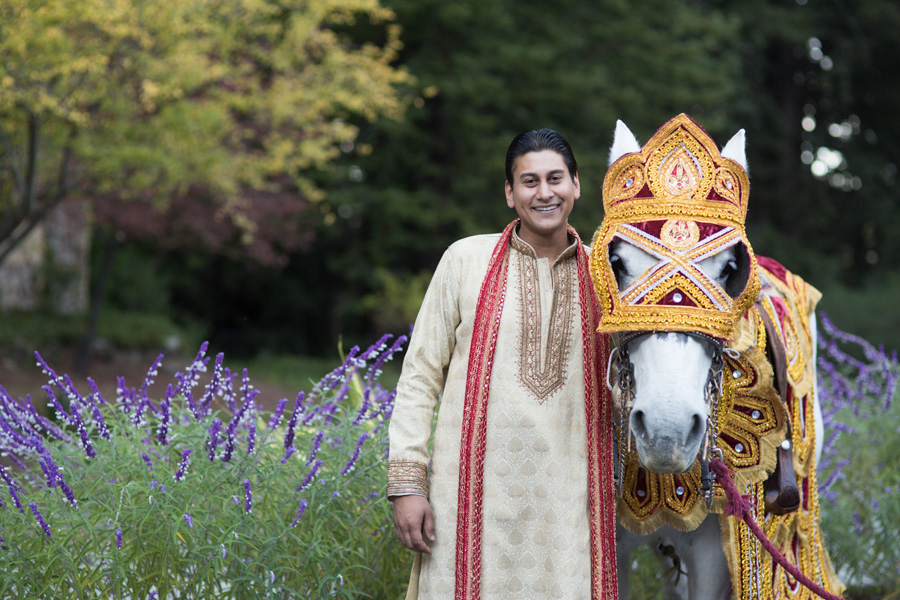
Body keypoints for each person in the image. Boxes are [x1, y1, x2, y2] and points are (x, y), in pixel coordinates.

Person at [387, 129, 618, 599]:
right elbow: (419, 377)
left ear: (576, 184)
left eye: (555, 178)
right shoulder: (464, 260)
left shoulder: (607, 275)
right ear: (510, 194)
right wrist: (407, 486)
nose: (544, 192)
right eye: (529, 181)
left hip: (570, 512)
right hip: (467, 504)